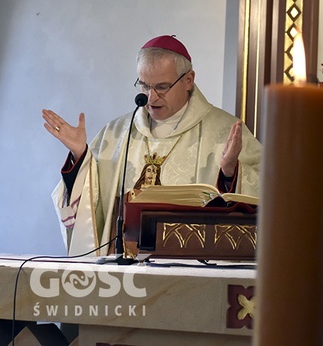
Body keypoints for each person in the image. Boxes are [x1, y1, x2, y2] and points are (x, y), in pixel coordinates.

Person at [42, 35, 262, 256]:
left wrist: (230, 172)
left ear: (189, 80)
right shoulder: (117, 133)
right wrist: (80, 157)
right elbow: (92, 208)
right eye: (144, 85)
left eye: (162, 87)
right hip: (122, 272)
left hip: (189, 267)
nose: (150, 97)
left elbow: (267, 195)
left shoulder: (225, 130)